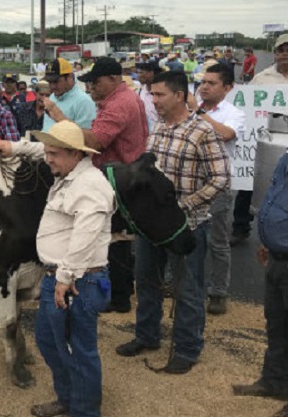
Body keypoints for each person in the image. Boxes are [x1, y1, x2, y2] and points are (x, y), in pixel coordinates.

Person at [0, 120, 114, 417]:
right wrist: (14, 147)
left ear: (75, 153)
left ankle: (85, 415)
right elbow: (38, 149)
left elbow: (85, 237)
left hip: (77, 281)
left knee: (76, 348)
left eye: (54, 154)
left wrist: (65, 277)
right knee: (49, 340)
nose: (47, 159)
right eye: (47, 152)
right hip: (59, 277)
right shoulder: (69, 171)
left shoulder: (91, 185)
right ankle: (68, 398)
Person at [115, 71, 230, 374]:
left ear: (179, 95)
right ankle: (147, 336)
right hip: (152, 227)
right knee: (147, 282)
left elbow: (221, 178)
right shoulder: (158, 129)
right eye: (151, 95)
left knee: (187, 289)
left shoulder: (203, 131)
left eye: (159, 95)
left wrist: (183, 206)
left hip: (187, 226)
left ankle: (187, 348)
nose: (153, 100)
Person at [52, 57, 148, 313]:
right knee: (118, 238)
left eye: (96, 82)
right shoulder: (123, 99)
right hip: (122, 173)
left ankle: (118, 298)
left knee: (112, 238)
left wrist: (63, 124)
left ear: (114, 79)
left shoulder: (119, 104)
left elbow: (95, 141)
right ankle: (122, 292)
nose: (92, 87)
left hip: (117, 175)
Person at [231, 150, 288, 417]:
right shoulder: (285, 159)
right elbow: (275, 200)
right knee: (276, 324)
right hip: (278, 257)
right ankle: (274, 381)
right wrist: (268, 239)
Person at [192, 63, 245, 315]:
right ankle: (184, 285)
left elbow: (224, 134)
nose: (204, 87)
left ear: (228, 87)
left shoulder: (233, 112)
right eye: (203, 82)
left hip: (218, 184)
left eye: (211, 83)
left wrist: (199, 115)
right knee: (189, 236)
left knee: (217, 241)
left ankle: (218, 292)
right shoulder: (192, 110)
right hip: (191, 183)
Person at [232, 34, 288, 246]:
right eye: (281, 50)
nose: (285, 54)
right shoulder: (262, 78)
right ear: (275, 53)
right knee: (249, 182)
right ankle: (240, 226)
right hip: (265, 139)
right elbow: (246, 108)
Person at [41, 58, 97, 133]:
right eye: (50, 82)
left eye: (56, 81)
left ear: (69, 77)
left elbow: (87, 137)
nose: (52, 86)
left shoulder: (83, 102)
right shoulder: (52, 97)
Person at [136, 60, 162, 130]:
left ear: (151, 73)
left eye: (141, 72)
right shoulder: (139, 92)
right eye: (138, 72)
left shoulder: (162, 93)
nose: (138, 75)